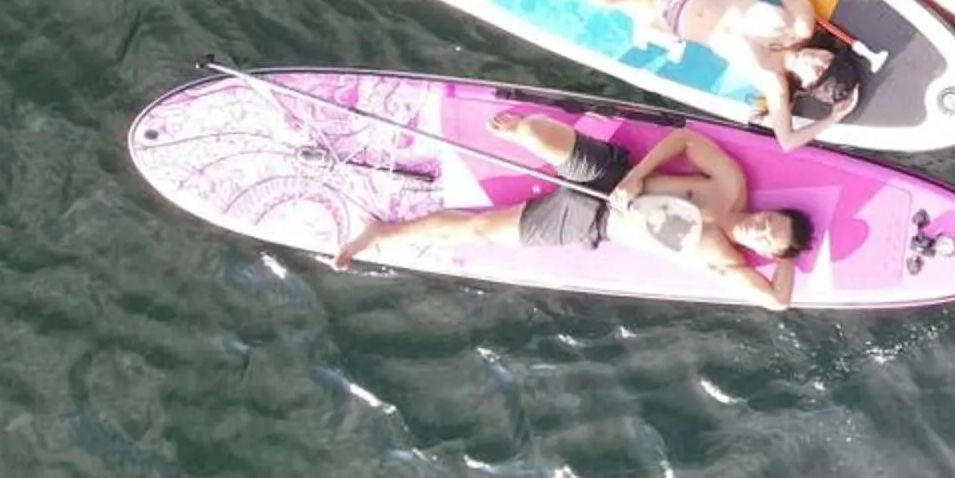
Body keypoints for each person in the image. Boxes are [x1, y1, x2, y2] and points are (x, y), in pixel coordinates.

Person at [328, 109, 813, 309]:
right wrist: (637, 176)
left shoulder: (726, 260)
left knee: (478, 231)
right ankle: (521, 132)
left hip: (593, 220)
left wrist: (789, 255)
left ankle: (379, 233)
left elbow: (777, 302)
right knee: (536, 131)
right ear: (766, 210)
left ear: (765, 252)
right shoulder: (732, 185)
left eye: (766, 238)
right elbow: (685, 138)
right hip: (612, 176)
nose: (757, 227)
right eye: (768, 220)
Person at [465, 0, 864, 148]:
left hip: (667, 19)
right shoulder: (799, 22)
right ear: (829, 51)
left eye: (817, 75)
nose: (817, 63)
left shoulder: (773, 82)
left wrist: (833, 118)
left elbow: (787, 142)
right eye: (826, 60)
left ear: (808, 85)